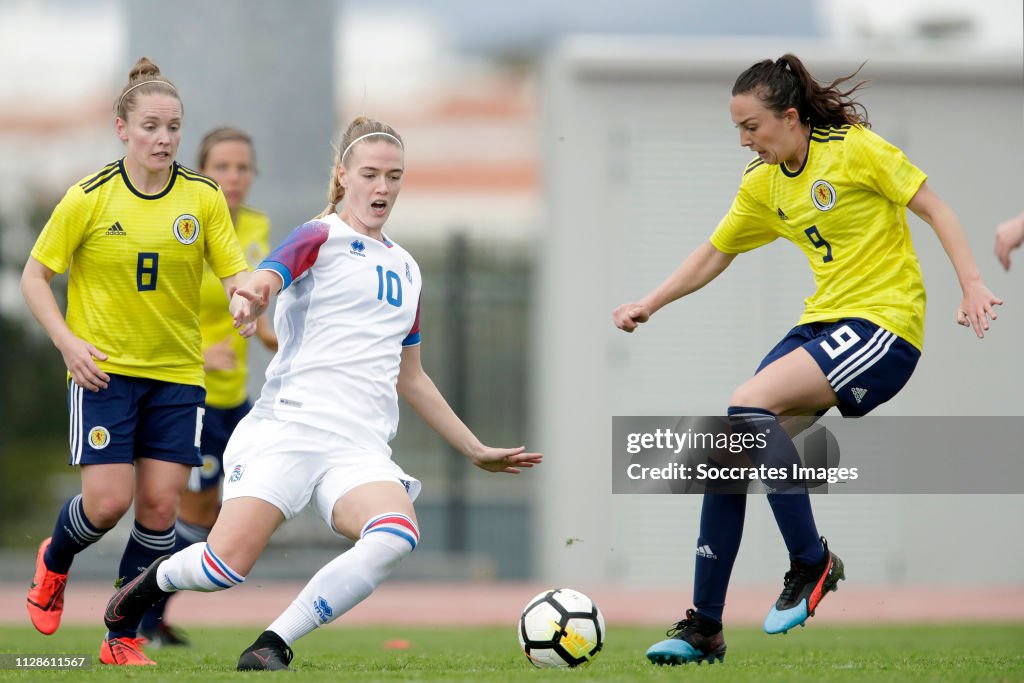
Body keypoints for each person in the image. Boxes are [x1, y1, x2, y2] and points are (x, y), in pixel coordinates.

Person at [104, 116, 543, 671]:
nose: (382, 188)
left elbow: (412, 376)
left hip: (357, 448)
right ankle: (144, 586)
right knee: (224, 567)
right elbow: (268, 275)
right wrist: (249, 298)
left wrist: (474, 449)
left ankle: (273, 643)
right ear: (343, 176)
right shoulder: (319, 234)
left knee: (395, 534)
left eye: (394, 176)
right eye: (370, 174)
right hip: (288, 430)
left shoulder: (407, 269)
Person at [612, 54, 1002, 666]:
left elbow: (936, 209)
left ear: (790, 118)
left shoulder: (854, 149)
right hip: (822, 325)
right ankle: (705, 628)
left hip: (884, 327)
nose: (744, 140)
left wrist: (972, 283)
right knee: (726, 456)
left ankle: (812, 561)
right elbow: (715, 252)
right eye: (737, 129)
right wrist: (651, 302)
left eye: (753, 127)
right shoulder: (763, 183)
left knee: (746, 404)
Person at [21, 58, 256, 666]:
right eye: (151, 126)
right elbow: (34, 278)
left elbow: (234, 274)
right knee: (106, 505)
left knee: (158, 510)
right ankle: (55, 560)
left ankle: (120, 637)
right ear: (121, 127)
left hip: (178, 377)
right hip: (104, 372)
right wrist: (69, 345)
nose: (164, 139)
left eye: (174, 128)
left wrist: (246, 300)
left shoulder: (201, 199)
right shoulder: (89, 198)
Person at [138, 127, 278, 647]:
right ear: (201, 171)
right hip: (185, 394)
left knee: (239, 506)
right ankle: (142, 612)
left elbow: (252, 305)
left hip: (235, 401)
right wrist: (200, 352)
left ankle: (147, 610)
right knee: (195, 515)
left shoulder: (259, 227)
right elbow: (149, 312)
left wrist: (274, 338)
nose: (234, 178)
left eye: (243, 167)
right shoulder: (183, 227)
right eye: (222, 167)